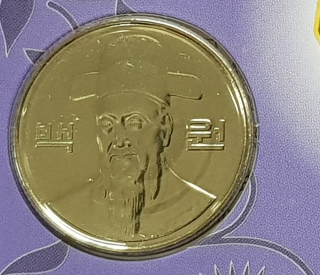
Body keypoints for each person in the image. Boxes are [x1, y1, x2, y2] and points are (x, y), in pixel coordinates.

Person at [58, 32, 215, 241]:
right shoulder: (70, 208)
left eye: (135, 123)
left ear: (165, 127)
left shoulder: (195, 205)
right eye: (107, 125)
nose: (120, 140)